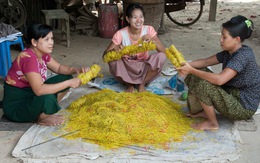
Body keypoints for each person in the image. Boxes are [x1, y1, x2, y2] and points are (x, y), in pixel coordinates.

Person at [176, 15, 260, 131]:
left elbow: (220, 80)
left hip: (243, 106)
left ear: (237, 39)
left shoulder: (243, 56)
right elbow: (205, 62)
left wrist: (191, 70)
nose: (220, 39)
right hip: (232, 93)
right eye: (221, 35)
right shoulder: (229, 51)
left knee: (203, 84)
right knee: (198, 73)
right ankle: (205, 112)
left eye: (224, 37)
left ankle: (212, 123)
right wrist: (183, 64)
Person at [2, 24, 89, 126]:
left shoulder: (42, 54)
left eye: (51, 39)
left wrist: (76, 70)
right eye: (46, 39)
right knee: (47, 96)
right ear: (34, 42)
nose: (51, 42)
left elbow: (59, 68)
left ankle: (45, 111)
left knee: (65, 77)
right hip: (16, 106)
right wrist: (68, 83)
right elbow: (39, 90)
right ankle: (41, 118)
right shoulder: (28, 58)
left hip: (30, 93)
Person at [103, 3, 166, 92]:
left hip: (143, 66)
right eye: (135, 17)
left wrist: (153, 41)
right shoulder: (120, 34)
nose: (139, 20)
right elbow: (104, 56)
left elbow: (163, 51)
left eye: (141, 17)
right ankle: (129, 85)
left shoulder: (148, 30)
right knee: (112, 60)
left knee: (161, 56)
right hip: (126, 68)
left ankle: (142, 84)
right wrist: (114, 50)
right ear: (128, 19)